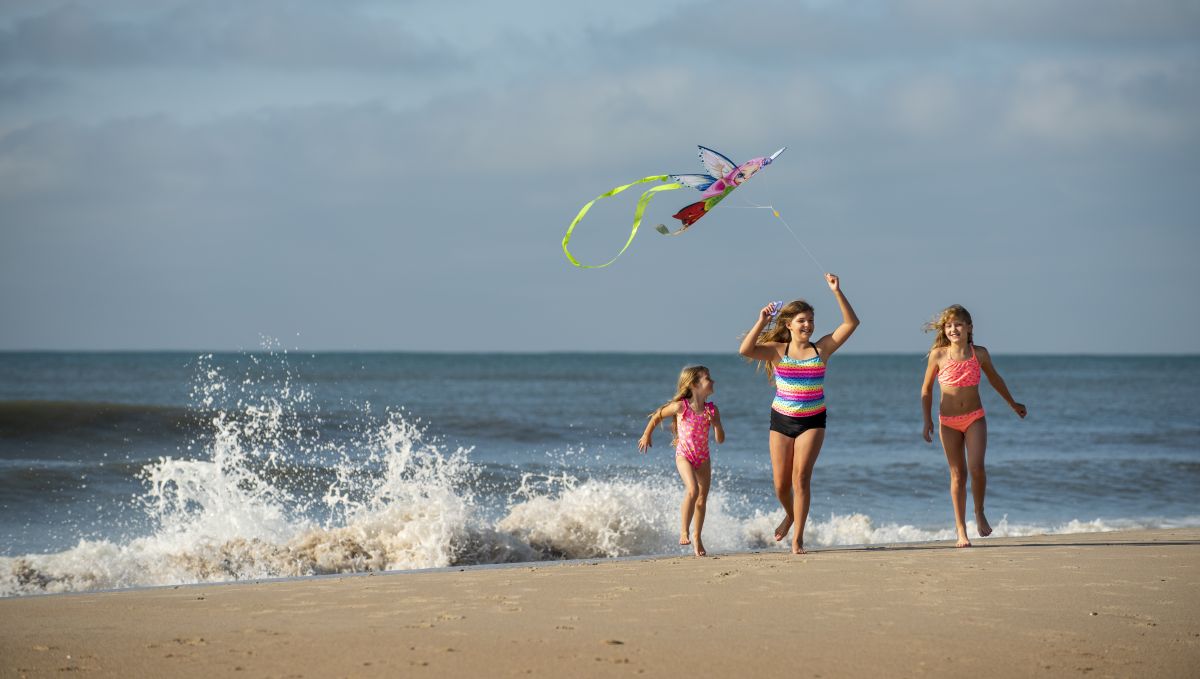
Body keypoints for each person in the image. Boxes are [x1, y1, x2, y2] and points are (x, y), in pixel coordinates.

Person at [738, 274, 859, 554]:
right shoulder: (778, 351)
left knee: (801, 478)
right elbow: (745, 350)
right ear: (789, 324)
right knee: (781, 486)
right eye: (802, 321)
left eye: (810, 320)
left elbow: (851, 323)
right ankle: (790, 514)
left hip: (813, 421)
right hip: (781, 421)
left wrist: (837, 291)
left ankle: (798, 538)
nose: (808, 325)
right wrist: (761, 321)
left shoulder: (822, 348)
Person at [920, 304, 1027, 548]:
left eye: (958, 324)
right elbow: (926, 390)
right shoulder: (938, 355)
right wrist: (926, 419)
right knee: (958, 475)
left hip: (974, 418)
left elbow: (995, 379)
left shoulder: (979, 354)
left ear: (969, 327)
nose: (953, 329)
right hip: (947, 423)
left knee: (976, 468)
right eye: (949, 325)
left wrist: (1012, 403)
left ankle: (979, 512)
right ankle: (961, 530)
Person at [638, 365, 725, 557]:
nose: (712, 381)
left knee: (702, 500)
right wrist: (646, 435)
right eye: (707, 378)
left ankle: (697, 538)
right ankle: (684, 530)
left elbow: (720, 439)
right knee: (692, 490)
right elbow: (658, 415)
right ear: (694, 384)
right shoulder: (681, 407)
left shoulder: (712, 409)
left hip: (703, 458)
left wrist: (716, 424)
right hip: (684, 455)